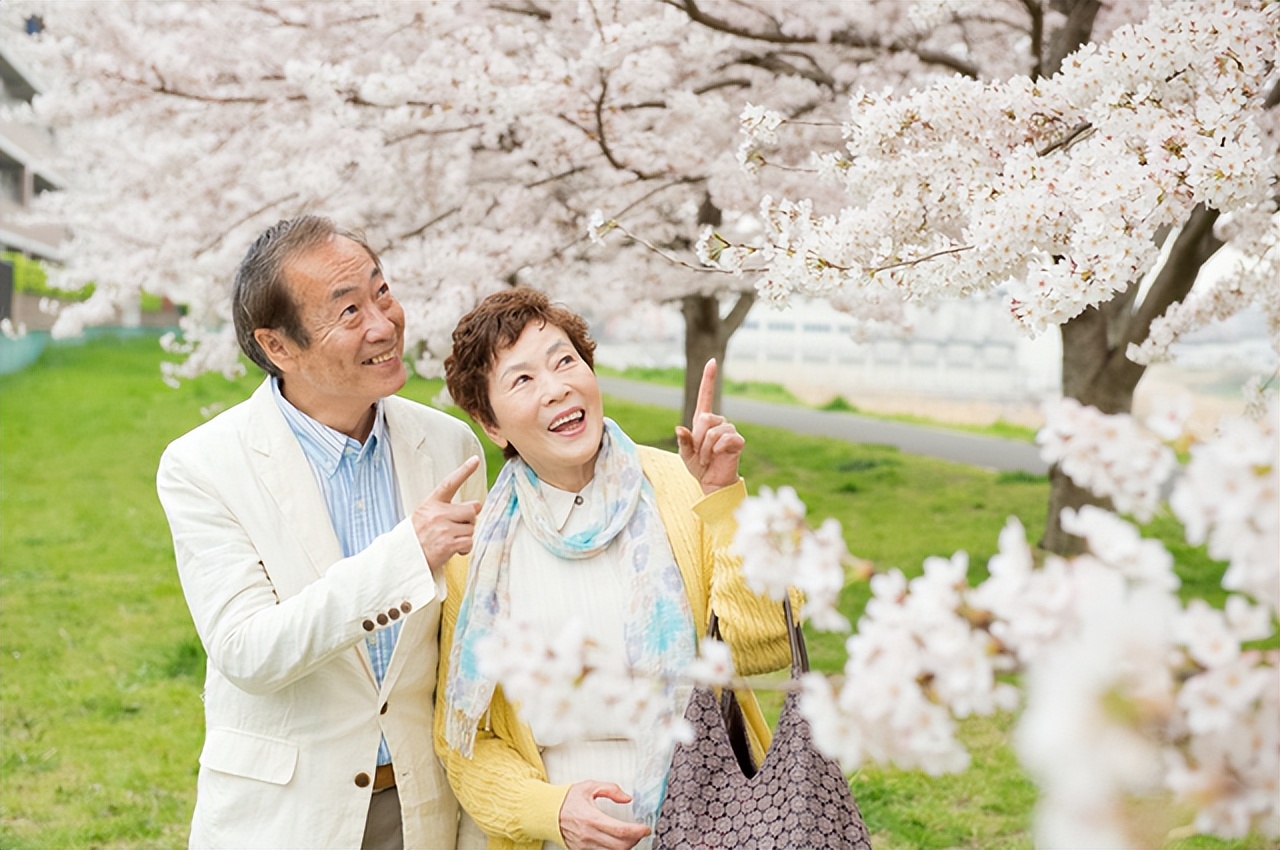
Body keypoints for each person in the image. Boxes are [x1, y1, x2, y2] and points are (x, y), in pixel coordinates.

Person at [156, 215, 486, 850]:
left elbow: (473, 654)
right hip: (286, 818)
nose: (384, 324)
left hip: (422, 807)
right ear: (279, 346)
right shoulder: (204, 466)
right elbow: (249, 651)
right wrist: (405, 556)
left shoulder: (448, 446)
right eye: (349, 311)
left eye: (381, 291)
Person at [435, 288, 793, 850]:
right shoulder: (478, 554)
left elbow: (763, 649)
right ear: (491, 424)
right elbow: (465, 741)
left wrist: (723, 498)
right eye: (523, 380)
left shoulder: (683, 487)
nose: (556, 388)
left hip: (705, 819)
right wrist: (551, 812)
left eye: (564, 361)